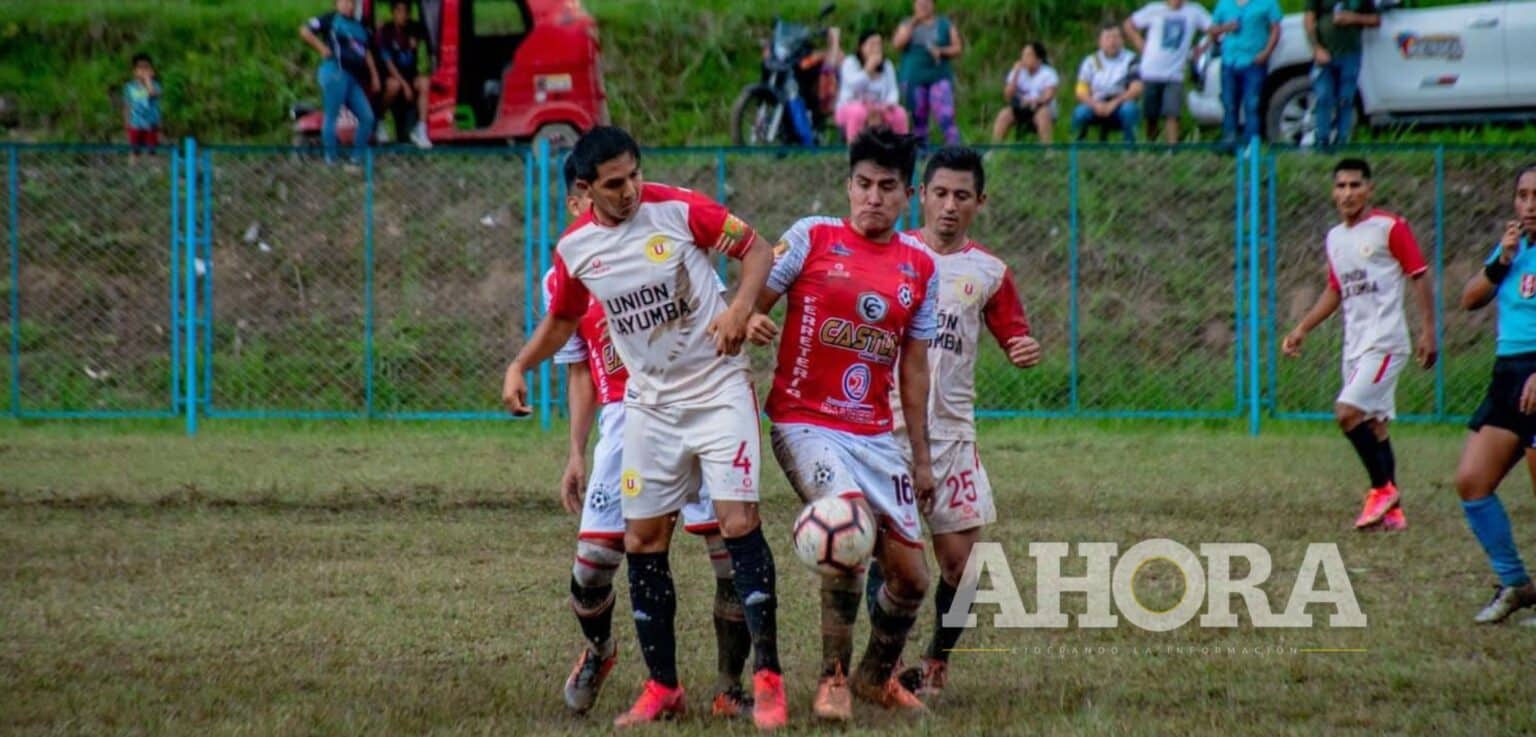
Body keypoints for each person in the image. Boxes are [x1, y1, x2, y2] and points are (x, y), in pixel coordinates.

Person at [501, 126, 785, 730]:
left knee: (737, 524)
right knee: (642, 541)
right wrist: (521, 365)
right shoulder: (577, 248)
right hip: (649, 405)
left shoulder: (679, 209)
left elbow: (759, 250)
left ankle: (767, 680)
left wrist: (738, 310)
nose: (629, 189)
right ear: (586, 190)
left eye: (634, 174)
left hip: (717, 389)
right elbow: (564, 319)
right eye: (614, 183)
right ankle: (664, 688)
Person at [543, 158, 757, 719]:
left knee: (727, 554)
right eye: (587, 198)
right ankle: (600, 651)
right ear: (578, 200)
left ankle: (729, 686)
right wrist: (575, 452)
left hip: (695, 398)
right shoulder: (568, 270)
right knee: (592, 568)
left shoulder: (661, 237)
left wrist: (743, 315)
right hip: (626, 420)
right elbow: (580, 372)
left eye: (628, 182)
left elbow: (711, 299)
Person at [748, 127, 938, 721]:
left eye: (887, 186)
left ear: (908, 194)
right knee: (848, 530)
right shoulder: (812, 237)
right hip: (804, 423)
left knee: (912, 578)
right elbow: (749, 302)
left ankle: (875, 678)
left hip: (875, 435)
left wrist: (922, 458)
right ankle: (832, 678)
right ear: (848, 185)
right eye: (863, 183)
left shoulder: (921, 266)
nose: (872, 197)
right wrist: (748, 319)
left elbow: (913, 370)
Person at [864, 146, 1041, 700]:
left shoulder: (989, 272)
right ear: (920, 195)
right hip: (887, 430)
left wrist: (1021, 347)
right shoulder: (889, 252)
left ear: (979, 202)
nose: (949, 205)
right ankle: (886, 665)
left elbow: (1013, 331)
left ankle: (937, 661)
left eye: (961, 196)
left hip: (952, 434)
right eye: (939, 193)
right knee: (887, 558)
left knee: (962, 566)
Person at [1282, 158, 1436, 533]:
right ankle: (1393, 513)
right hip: (1355, 344)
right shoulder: (1335, 238)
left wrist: (1429, 331)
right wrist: (1302, 328)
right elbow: (1335, 290)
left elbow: (1419, 275)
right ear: (1333, 192)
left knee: (1347, 413)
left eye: (1355, 185)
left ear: (1369, 189)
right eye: (1341, 186)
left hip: (1385, 341)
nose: (1347, 193)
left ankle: (1382, 490)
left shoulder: (1389, 227)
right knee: (1375, 425)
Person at [1453, 164, 1536, 625]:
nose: (1529, 205)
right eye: (1523, 195)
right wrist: (1501, 260)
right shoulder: (1513, 248)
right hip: (1508, 377)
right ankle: (1516, 584)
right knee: (1472, 481)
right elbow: (1470, 299)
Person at [300, 0, 380, 164]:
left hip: (353, 77)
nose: (347, 5)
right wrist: (321, 48)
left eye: (350, 2)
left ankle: (356, 158)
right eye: (343, 2)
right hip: (335, 71)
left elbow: (366, 52)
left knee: (367, 117)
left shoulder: (360, 26)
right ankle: (331, 158)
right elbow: (305, 30)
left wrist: (374, 75)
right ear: (336, 4)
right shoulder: (330, 19)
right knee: (332, 115)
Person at [1124, 0, 1213, 144]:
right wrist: (1141, 45)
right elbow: (1129, 24)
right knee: (1151, 115)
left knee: (1172, 113)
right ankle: (1151, 146)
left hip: (1174, 73)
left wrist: (1201, 48)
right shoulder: (1154, 9)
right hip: (1151, 71)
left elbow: (1213, 29)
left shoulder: (1194, 11)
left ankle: (1172, 148)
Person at [1305, 0, 1379, 149]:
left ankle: (1342, 140)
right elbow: (1309, 19)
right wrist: (1317, 48)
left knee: (1346, 99)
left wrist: (1353, 18)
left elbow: (1375, 19)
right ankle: (1322, 140)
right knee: (1324, 97)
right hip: (1325, 54)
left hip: (1351, 55)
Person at [1210, 0, 1282, 146]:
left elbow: (1276, 29)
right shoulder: (1224, 3)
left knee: (1252, 104)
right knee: (1229, 104)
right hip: (1230, 61)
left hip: (1253, 62)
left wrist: (1266, 52)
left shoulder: (1267, 3)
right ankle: (1230, 143)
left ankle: (1252, 145)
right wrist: (1225, 28)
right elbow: (1213, 30)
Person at [893, 0, 963, 146]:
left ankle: (955, 149)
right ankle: (921, 152)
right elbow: (898, 44)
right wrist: (913, 23)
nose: (923, 4)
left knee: (945, 115)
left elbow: (957, 48)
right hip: (914, 77)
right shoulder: (906, 23)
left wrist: (941, 51)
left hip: (939, 75)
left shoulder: (944, 24)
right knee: (918, 118)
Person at [1070, 24, 1143, 143]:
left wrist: (1113, 103)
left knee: (1129, 110)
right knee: (1080, 113)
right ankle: (1077, 148)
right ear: (1100, 41)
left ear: (1122, 40)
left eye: (1116, 37)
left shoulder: (1131, 59)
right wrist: (1095, 105)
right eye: (1107, 37)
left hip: (1120, 103)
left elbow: (1136, 88)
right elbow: (1081, 91)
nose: (1112, 42)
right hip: (1097, 103)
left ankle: (1130, 148)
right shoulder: (1091, 61)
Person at [377, 0, 433, 149]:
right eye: (399, 11)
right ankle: (380, 120)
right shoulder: (386, 31)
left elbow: (428, 43)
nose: (403, 15)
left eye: (406, 12)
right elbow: (388, 63)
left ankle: (421, 129)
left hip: (411, 76)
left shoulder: (415, 28)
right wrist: (405, 85)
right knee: (393, 85)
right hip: (394, 77)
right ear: (393, 13)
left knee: (424, 82)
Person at [835, 31, 910, 143]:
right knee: (858, 112)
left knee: (900, 113)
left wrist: (888, 104)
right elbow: (853, 87)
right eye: (871, 44)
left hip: (881, 107)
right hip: (852, 105)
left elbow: (893, 90)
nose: (876, 48)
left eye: (878, 44)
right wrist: (868, 69)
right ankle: (856, 148)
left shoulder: (887, 65)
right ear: (861, 47)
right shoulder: (850, 63)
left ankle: (901, 149)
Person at [990, 42, 1058, 144]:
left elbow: (1048, 96)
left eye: (1028, 55)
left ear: (1038, 59)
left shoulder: (1048, 73)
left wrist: (1033, 101)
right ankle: (995, 147)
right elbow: (1007, 96)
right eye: (1023, 55)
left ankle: (1048, 149)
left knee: (1043, 115)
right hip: (1020, 108)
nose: (1024, 59)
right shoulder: (1017, 72)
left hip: (1040, 108)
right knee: (1004, 114)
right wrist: (1015, 74)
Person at [122, 53, 162, 156]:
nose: (144, 70)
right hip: (135, 123)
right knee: (134, 151)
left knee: (152, 151)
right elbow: (127, 105)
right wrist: (127, 123)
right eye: (141, 67)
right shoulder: (129, 87)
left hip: (151, 124)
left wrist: (148, 80)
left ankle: (152, 165)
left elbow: (153, 94)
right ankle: (133, 165)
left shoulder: (156, 85)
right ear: (135, 71)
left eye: (147, 67)